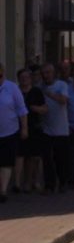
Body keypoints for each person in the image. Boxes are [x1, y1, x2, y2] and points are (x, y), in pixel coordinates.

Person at [0, 63, 28, 202]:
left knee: (5, 162)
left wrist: (24, 128)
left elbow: (21, 109)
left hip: (9, 131)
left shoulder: (11, 88)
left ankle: (3, 190)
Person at [41, 63, 70, 193]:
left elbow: (64, 100)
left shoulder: (61, 85)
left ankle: (62, 182)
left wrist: (50, 94)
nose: (45, 75)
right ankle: (49, 185)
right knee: (47, 158)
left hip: (61, 129)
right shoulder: (40, 87)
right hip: (46, 128)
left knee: (61, 159)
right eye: (44, 73)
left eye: (48, 72)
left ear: (54, 73)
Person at [16, 69, 45, 193]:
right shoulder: (15, 91)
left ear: (30, 79)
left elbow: (44, 108)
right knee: (22, 156)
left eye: (26, 77)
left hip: (34, 126)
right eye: (22, 77)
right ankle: (24, 182)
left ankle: (35, 180)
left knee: (35, 157)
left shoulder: (36, 92)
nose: (24, 79)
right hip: (18, 127)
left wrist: (36, 108)